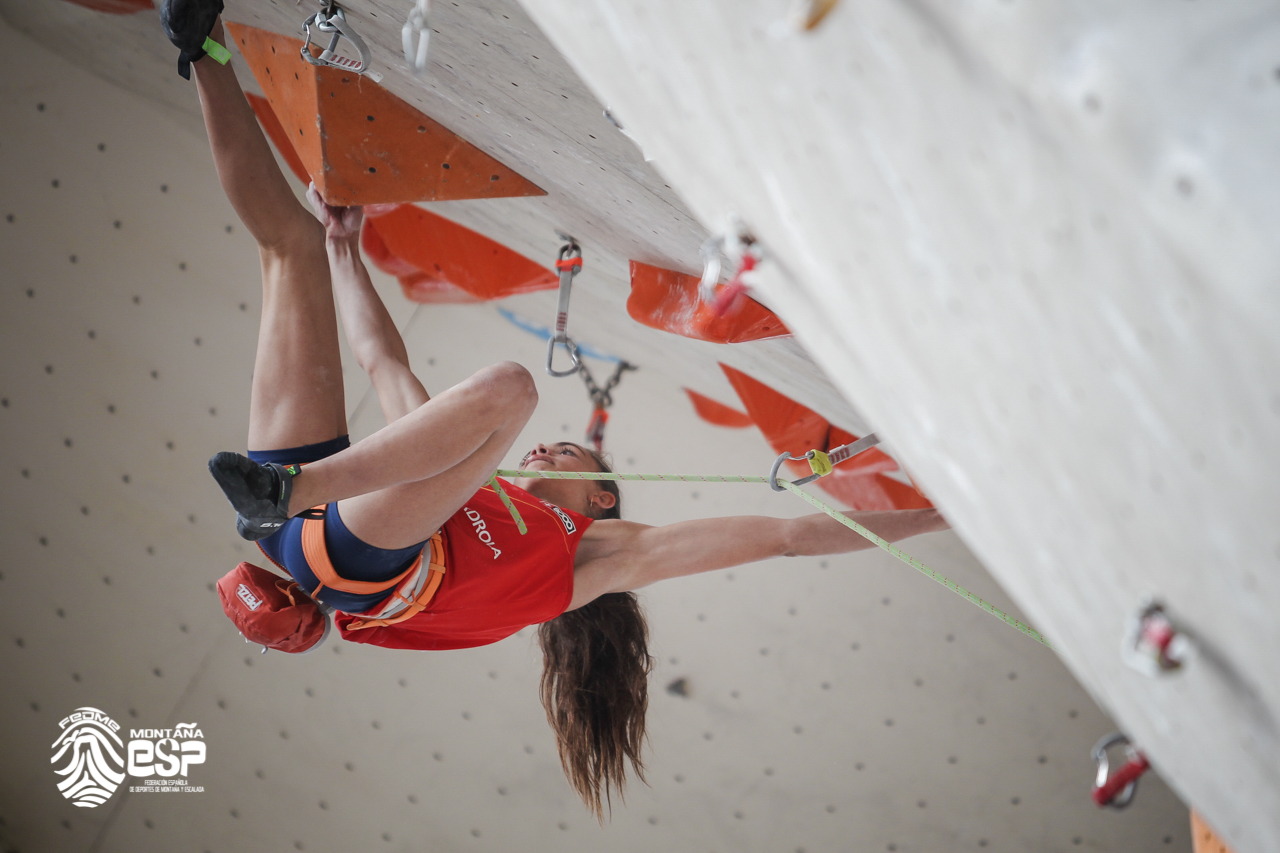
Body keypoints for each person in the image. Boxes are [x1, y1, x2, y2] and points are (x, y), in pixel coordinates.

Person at [163, 1, 948, 818]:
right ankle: (200, 44)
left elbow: (784, 537)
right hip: (332, 524)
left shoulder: (590, 562)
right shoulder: (449, 471)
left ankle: (286, 491)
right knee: (291, 245)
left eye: (567, 454)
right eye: (550, 448)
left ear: (601, 498)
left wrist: (934, 518)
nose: (542, 451)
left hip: (344, 550)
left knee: (512, 388)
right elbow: (383, 361)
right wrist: (343, 251)